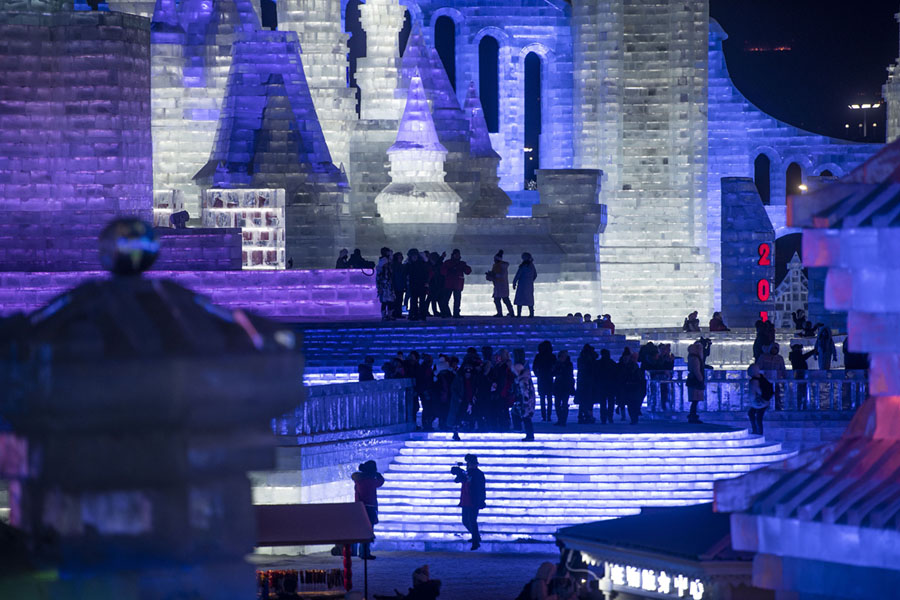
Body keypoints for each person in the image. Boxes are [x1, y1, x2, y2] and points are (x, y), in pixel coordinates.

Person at [450, 454, 486, 550]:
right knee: (465, 521)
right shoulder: (466, 473)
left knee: (472, 521)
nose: (469, 465)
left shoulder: (479, 474)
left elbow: (482, 489)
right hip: (465, 500)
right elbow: (457, 480)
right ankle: (476, 537)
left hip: (474, 501)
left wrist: (482, 500)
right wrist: (459, 473)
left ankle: (476, 542)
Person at [351, 460, 384, 559]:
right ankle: (365, 553)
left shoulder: (359, 480)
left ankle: (361, 552)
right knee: (368, 531)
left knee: (362, 530)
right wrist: (378, 475)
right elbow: (381, 482)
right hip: (370, 507)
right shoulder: (370, 481)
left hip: (359, 507)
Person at [440, 249, 472, 318]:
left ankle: (453, 313)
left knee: (455, 300)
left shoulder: (459, 263)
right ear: (453, 255)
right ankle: (448, 313)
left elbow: (468, 271)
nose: (457, 256)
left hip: (454, 284)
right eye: (456, 254)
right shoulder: (452, 263)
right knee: (447, 300)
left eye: (458, 254)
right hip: (452, 284)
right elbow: (443, 271)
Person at [756, 343, 786, 410]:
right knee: (766, 395)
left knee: (777, 394)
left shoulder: (780, 358)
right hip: (765, 381)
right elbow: (758, 367)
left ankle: (777, 407)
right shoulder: (763, 357)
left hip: (776, 381)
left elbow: (783, 369)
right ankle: (765, 407)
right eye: (773, 348)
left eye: (776, 349)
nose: (774, 350)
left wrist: (784, 379)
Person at [532, 341, 557, 422]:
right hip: (549, 378)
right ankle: (548, 416)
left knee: (542, 398)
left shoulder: (539, 356)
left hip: (542, 377)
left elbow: (534, 367)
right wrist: (553, 374)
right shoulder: (552, 356)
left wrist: (537, 374)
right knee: (549, 398)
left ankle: (544, 416)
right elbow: (555, 366)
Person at [512, 362, 537, 441]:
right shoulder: (524, 378)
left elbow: (525, 392)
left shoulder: (523, 380)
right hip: (527, 402)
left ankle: (529, 435)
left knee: (526, 418)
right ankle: (527, 434)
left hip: (525, 403)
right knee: (524, 417)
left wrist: (524, 403)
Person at [487, 250, 514, 317]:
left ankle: (506, 313)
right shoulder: (497, 266)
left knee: (503, 299)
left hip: (501, 285)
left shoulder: (501, 266)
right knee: (501, 299)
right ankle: (508, 312)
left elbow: (501, 276)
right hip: (499, 285)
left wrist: (493, 275)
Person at [594, 348, 618, 424]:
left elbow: (596, 375)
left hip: (602, 386)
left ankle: (603, 418)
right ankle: (610, 417)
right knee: (610, 403)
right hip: (611, 386)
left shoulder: (598, 363)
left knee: (603, 403)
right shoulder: (612, 363)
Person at [406, 249, 430, 321]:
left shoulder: (421, 264)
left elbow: (426, 274)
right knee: (414, 301)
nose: (414, 257)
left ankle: (422, 315)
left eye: (415, 255)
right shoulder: (409, 265)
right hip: (413, 285)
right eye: (413, 256)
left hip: (421, 284)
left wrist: (426, 282)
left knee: (421, 301)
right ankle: (415, 315)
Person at [575, 344, 597, 424]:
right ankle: (588, 415)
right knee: (589, 400)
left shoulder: (581, 359)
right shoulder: (592, 359)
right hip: (590, 382)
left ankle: (582, 415)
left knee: (582, 400)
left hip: (582, 381)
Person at [788, 344, 815, 409]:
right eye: (798, 348)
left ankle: (801, 404)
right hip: (799, 375)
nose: (800, 350)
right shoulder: (795, 355)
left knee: (802, 390)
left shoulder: (794, 355)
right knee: (801, 390)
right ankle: (800, 405)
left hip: (801, 374)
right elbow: (804, 357)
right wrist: (813, 351)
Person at [551, 350, 574, 426]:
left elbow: (569, 375)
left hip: (565, 386)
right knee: (557, 404)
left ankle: (563, 420)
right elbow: (553, 373)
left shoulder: (568, 364)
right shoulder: (557, 364)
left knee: (564, 403)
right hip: (558, 386)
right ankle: (560, 419)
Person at [747, 364, 771, 435]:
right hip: (763, 401)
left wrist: (756, 399)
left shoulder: (754, 381)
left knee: (757, 417)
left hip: (759, 402)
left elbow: (757, 392)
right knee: (754, 415)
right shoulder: (761, 378)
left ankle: (758, 432)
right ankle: (757, 431)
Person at [512, 252, 537, 317]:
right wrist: (530, 281)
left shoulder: (523, 266)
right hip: (529, 285)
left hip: (522, 285)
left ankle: (519, 314)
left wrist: (514, 283)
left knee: (520, 300)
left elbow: (518, 275)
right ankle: (531, 314)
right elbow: (535, 275)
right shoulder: (532, 266)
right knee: (529, 299)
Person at [686, 341, 705, 424]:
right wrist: (701, 379)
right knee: (695, 399)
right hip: (695, 381)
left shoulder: (691, 357)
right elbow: (697, 370)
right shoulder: (695, 358)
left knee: (695, 400)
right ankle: (692, 415)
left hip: (692, 380)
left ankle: (692, 415)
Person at [376, 247, 395, 320]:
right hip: (384, 287)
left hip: (389, 286)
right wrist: (379, 287)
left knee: (390, 302)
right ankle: (384, 316)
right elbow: (378, 279)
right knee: (384, 302)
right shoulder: (381, 270)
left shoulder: (388, 268)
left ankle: (389, 315)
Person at [391, 251, 407, 318]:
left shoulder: (397, 266)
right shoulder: (396, 266)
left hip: (399, 285)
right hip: (397, 285)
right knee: (397, 300)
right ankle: (396, 313)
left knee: (399, 300)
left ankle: (397, 313)